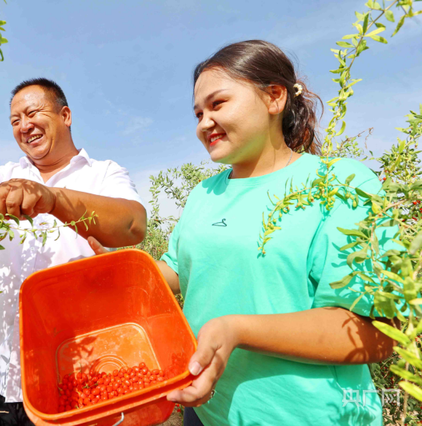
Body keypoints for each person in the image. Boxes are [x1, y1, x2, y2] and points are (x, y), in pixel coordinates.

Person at [89, 40, 396, 425]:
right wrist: (122, 272)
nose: (204, 123)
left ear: (274, 97)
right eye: (198, 113)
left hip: (309, 415)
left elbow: (373, 335)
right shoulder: (205, 194)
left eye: (218, 104)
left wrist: (238, 330)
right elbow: (180, 271)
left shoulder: (344, 184)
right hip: (208, 408)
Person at [0, 78, 147, 425]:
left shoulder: (104, 174)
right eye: (15, 120)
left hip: (71, 377)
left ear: (66, 115)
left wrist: (53, 199)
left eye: (32, 113)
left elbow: (133, 224)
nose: (24, 126)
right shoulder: (5, 176)